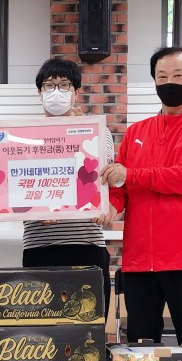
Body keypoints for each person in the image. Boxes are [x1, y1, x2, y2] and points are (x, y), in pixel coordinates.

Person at [97, 47, 182, 346]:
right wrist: (108, 207)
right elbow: (120, 188)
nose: (169, 83)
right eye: (162, 76)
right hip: (139, 262)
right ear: (154, 81)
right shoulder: (136, 132)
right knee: (140, 352)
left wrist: (132, 175)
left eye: (178, 75)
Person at [23, 58, 114, 319]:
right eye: (49, 85)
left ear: (76, 92)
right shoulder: (23, 136)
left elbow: (101, 174)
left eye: (64, 85)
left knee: (88, 324)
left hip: (86, 242)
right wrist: (36, 208)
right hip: (40, 245)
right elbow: (15, 188)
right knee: (42, 328)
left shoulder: (97, 132)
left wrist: (80, 129)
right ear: (39, 92)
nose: (56, 92)